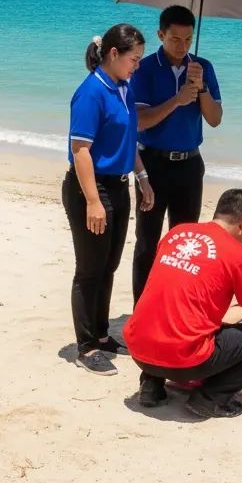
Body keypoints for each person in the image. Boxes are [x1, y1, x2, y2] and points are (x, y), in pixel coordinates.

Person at [122, 189, 242, 418]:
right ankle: (209, 398)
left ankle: (152, 385)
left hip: (138, 350)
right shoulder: (240, 255)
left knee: (170, 309)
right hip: (183, 360)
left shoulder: (176, 233)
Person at [64, 24, 154, 376]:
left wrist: (142, 178)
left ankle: (101, 336)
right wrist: (92, 201)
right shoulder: (91, 93)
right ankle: (86, 346)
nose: (137, 66)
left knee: (109, 265)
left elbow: (128, 140)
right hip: (91, 187)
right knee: (89, 269)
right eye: (134, 59)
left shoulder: (124, 89)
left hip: (119, 185)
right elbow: (81, 149)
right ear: (113, 55)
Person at [130, 5, 223, 303]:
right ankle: (142, 309)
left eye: (187, 39)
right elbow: (140, 120)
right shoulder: (143, 69)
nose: (182, 46)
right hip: (153, 165)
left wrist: (201, 88)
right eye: (175, 39)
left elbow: (215, 118)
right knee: (147, 242)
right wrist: (179, 99)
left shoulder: (202, 67)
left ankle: (175, 305)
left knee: (185, 243)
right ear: (160, 35)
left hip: (189, 165)